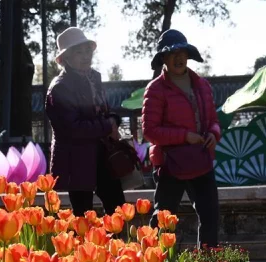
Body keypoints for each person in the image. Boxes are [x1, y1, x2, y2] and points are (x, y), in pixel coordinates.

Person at [142, 29, 220, 248]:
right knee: (163, 220)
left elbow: (213, 119)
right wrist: (186, 136)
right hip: (170, 164)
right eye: (171, 53)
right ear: (163, 59)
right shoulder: (155, 89)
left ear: (188, 55)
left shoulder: (202, 85)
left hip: (201, 159)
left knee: (210, 215)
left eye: (182, 52)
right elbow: (150, 131)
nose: (178, 57)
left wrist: (214, 134)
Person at [45, 27, 125, 217]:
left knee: (117, 211)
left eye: (87, 50)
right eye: (78, 52)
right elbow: (72, 129)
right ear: (65, 59)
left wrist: (114, 119)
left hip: (102, 154)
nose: (85, 56)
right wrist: (107, 125)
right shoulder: (60, 88)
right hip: (76, 159)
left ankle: (117, 247)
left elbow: (103, 110)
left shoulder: (94, 78)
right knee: (83, 216)